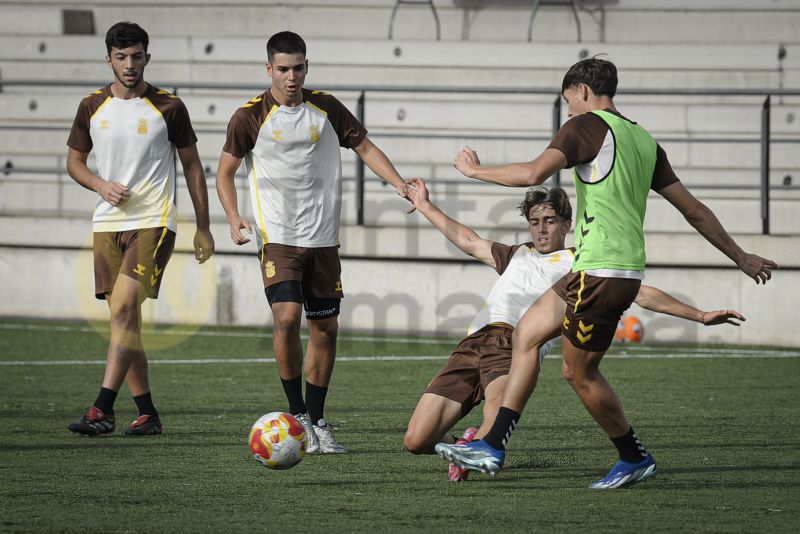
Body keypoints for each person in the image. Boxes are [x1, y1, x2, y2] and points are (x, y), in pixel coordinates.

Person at [435, 57, 777, 488]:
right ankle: (493, 444)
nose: (568, 112)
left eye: (568, 102)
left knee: (579, 373)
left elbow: (532, 174)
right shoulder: (644, 140)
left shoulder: (585, 127)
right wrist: (739, 256)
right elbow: (693, 209)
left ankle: (633, 457)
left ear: (581, 90)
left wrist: (474, 171)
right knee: (527, 333)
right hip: (605, 268)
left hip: (601, 269)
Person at [403, 179, 745, 482]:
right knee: (417, 441)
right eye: (534, 222)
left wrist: (699, 315)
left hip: (514, 349)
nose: (541, 229)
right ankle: (463, 446)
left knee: (495, 420)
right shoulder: (516, 255)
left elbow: (639, 292)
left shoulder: (581, 264)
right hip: (472, 344)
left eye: (549, 221)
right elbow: (467, 239)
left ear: (567, 224)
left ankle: (485, 445)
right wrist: (425, 205)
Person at [215, 31, 412, 453]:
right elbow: (224, 172)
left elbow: (364, 146)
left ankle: (318, 419)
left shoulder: (326, 107)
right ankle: (297, 413)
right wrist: (233, 217)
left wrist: (397, 183)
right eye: (283, 69)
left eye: (298, 68)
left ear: (307, 67)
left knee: (325, 327)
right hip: (277, 237)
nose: (292, 76)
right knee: (286, 319)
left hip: (322, 240)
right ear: (268, 69)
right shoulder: (248, 116)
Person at [66, 22, 215, 436]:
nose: (129, 65)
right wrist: (100, 185)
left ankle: (103, 408)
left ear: (147, 57)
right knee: (123, 321)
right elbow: (74, 162)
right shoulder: (91, 105)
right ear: (109, 59)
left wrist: (203, 226)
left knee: (125, 311)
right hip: (106, 224)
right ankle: (147, 413)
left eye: (136, 56)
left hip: (154, 221)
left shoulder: (169, 107)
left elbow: (192, 167)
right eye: (121, 57)